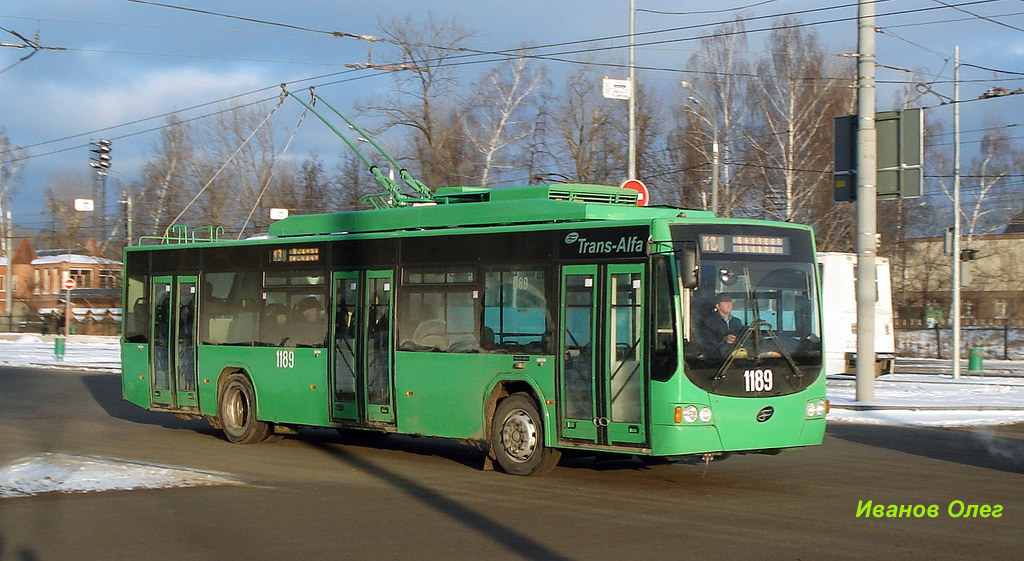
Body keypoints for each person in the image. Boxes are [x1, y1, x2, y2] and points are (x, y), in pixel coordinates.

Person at [702, 293, 745, 359]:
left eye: (730, 302)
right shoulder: (709, 321)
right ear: (718, 306)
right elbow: (707, 340)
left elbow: (742, 334)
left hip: (735, 357)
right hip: (716, 360)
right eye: (725, 302)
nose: (729, 305)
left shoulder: (736, 321)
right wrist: (724, 339)